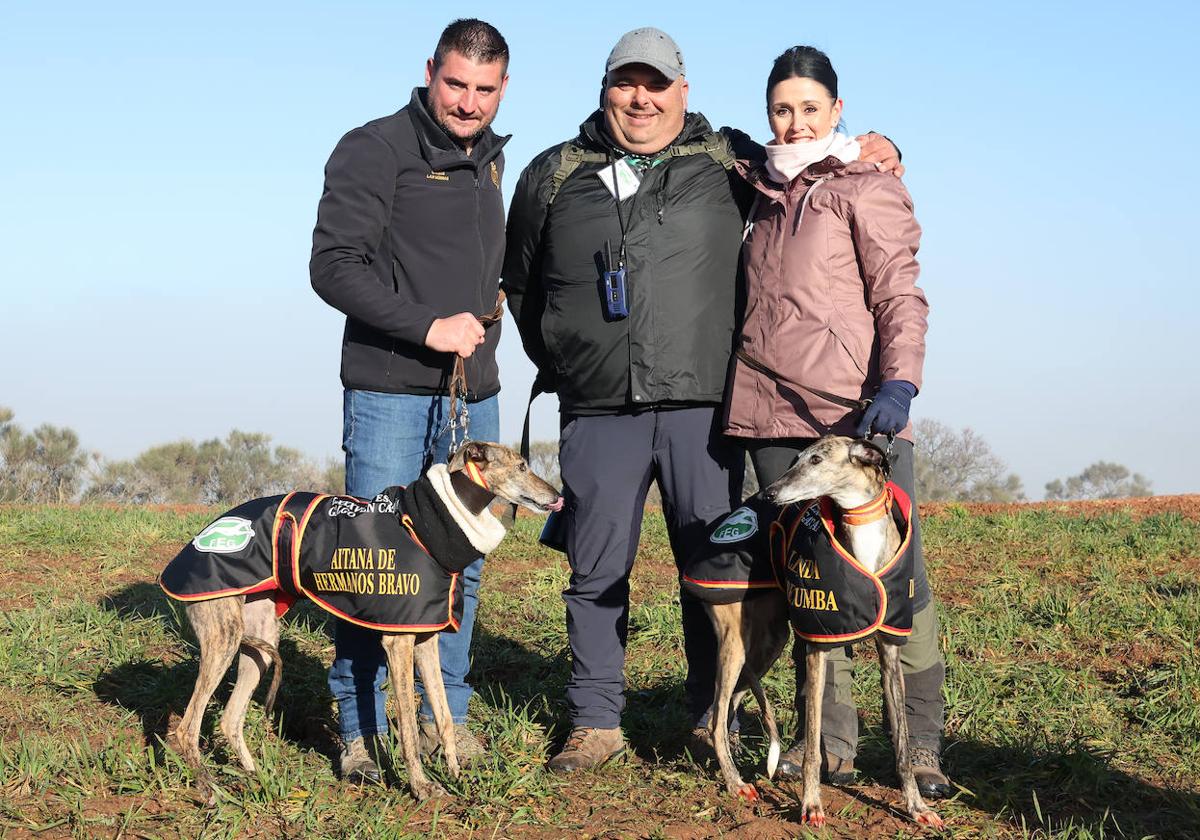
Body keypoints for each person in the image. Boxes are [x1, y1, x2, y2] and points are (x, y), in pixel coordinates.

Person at [502, 27, 901, 772]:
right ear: (605, 88)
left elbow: (807, 160)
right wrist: (565, 356)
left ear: (684, 90)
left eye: (657, 84)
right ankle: (594, 722)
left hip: (703, 408)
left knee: (711, 566)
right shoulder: (554, 173)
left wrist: (880, 144)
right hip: (597, 409)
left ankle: (707, 715)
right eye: (627, 83)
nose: (641, 98)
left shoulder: (729, 159)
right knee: (594, 570)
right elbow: (521, 283)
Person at [723, 45, 951, 798]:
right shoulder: (753, 186)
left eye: (809, 109)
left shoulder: (866, 182)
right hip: (769, 417)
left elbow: (900, 294)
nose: (795, 122)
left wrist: (900, 383)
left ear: (837, 109)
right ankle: (829, 744)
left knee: (895, 586)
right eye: (782, 109)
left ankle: (919, 749)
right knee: (812, 589)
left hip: (855, 423)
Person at [309, 18, 510, 784]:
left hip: (473, 399)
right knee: (372, 562)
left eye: (484, 90)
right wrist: (427, 326)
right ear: (430, 71)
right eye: (455, 84)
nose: (467, 103)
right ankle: (359, 728)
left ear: (503, 88)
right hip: (389, 392)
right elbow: (333, 266)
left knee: (463, 559)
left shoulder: (490, 158)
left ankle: (444, 713)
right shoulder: (375, 147)